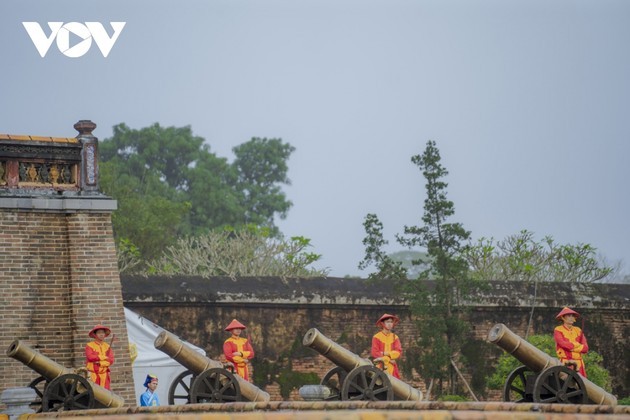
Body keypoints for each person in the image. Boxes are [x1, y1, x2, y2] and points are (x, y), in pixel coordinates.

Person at [554, 307, 589, 377]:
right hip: (565, 362)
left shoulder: (578, 330)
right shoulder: (558, 329)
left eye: (573, 316)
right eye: (569, 316)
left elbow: (585, 348)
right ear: (563, 317)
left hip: (579, 364)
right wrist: (577, 345)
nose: (571, 318)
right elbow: (563, 344)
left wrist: (571, 347)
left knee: (581, 385)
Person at [371, 313, 402, 379]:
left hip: (392, 368)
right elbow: (375, 353)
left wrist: (385, 353)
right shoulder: (376, 337)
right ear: (383, 323)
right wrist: (389, 359)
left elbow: (398, 352)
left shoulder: (395, 337)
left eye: (391, 322)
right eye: (387, 322)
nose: (390, 324)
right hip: (380, 367)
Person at [85, 324, 115, 389]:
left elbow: (111, 360)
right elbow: (90, 357)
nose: (101, 334)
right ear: (95, 334)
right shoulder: (89, 345)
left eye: (103, 332)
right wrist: (103, 357)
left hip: (104, 375)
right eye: (99, 333)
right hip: (92, 375)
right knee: (93, 394)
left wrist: (101, 363)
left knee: (105, 396)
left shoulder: (107, 346)